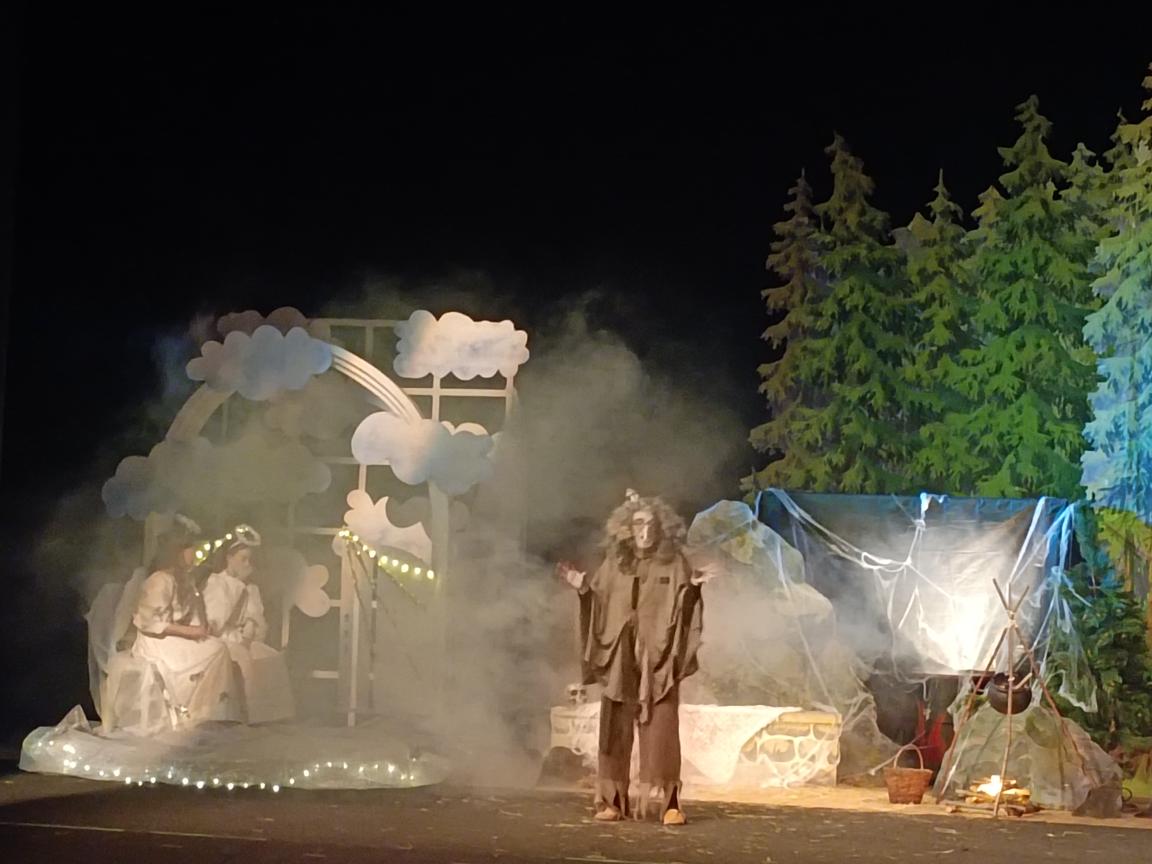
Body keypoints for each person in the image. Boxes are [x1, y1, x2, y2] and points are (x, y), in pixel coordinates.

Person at [557, 489, 719, 825]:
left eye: (650, 524)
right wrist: (583, 590)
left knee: (662, 730)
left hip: (658, 660)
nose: (644, 531)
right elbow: (599, 602)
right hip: (620, 657)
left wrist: (694, 589)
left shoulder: (674, 563)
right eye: (638, 524)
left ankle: (670, 802)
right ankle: (612, 801)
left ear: (662, 528)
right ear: (627, 529)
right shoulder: (614, 565)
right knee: (614, 728)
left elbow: (684, 608)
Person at [130, 522, 242, 727]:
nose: (195, 553)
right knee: (216, 650)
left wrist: (201, 628)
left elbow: (190, 614)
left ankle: (209, 710)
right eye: (191, 548)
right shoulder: (160, 580)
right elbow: (150, 623)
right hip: (156, 641)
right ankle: (196, 711)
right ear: (178, 552)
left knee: (216, 646)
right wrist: (190, 632)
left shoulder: (184, 579)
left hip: (174, 637)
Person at [203, 525, 295, 724]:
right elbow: (216, 620)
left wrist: (248, 635)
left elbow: (254, 617)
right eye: (242, 559)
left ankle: (269, 716)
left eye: (249, 560)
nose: (247, 564)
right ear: (229, 558)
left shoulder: (251, 587)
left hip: (241, 637)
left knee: (269, 656)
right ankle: (243, 715)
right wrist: (237, 586)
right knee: (244, 659)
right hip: (220, 638)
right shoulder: (217, 582)